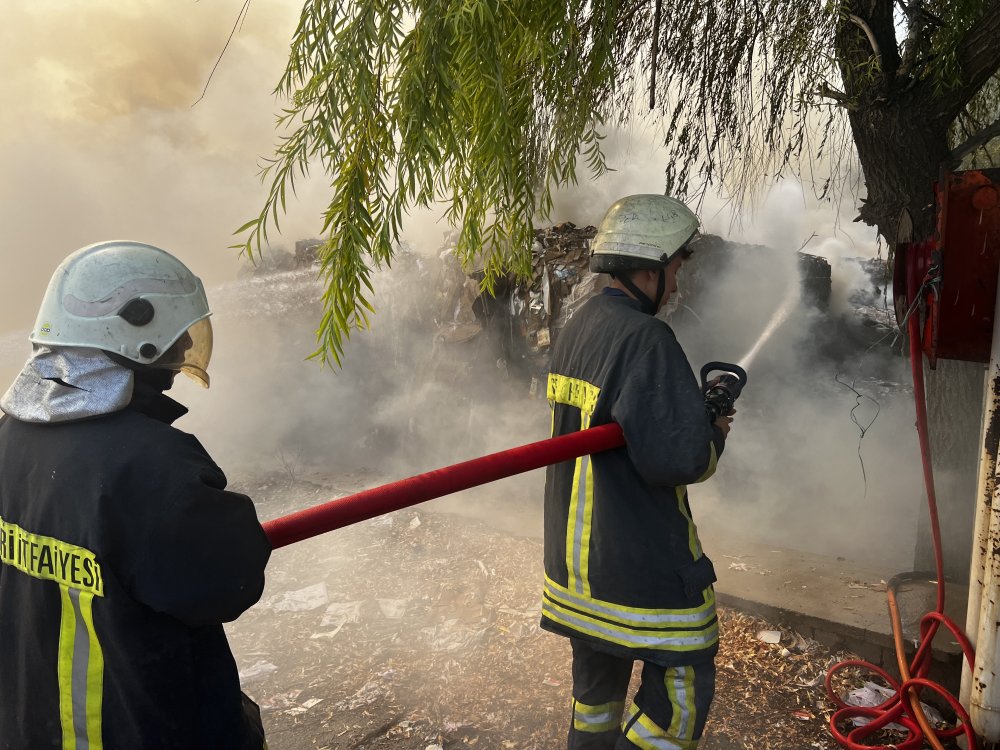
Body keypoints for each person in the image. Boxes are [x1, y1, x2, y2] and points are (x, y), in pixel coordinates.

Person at [0, 241, 272, 749]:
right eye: (174, 342)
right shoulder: (151, 464)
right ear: (135, 337)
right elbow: (227, 583)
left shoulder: (8, 440)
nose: (178, 360)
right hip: (142, 726)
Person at [541, 195, 733, 749]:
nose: (675, 286)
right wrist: (712, 433)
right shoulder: (648, 339)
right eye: (673, 271)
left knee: (596, 705)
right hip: (638, 570)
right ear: (648, 269)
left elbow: (622, 420)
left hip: (576, 574)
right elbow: (677, 459)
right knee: (679, 696)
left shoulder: (578, 326)